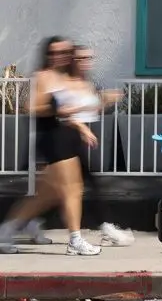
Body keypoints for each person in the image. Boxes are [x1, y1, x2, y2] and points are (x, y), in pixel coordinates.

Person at [0, 36, 102, 255]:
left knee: (46, 196)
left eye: (64, 52)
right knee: (73, 189)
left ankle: (5, 232)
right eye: (54, 53)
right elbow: (31, 107)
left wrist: (81, 127)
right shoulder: (44, 76)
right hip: (52, 139)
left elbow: (69, 111)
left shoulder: (65, 77)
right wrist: (55, 108)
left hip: (66, 136)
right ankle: (75, 240)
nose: (59, 57)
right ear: (48, 55)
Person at [66, 43, 134, 246]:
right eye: (80, 58)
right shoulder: (68, 82)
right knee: (87, 184)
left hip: (77, 141)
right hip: (64, 140)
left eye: (88, 58)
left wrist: (105, 100)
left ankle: (28, 222)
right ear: (72, 61)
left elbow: (91, 110)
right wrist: (82, 128)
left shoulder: (86, 83)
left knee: (59, 190)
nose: (85, 62)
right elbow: (64, 113)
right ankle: (106, 227)